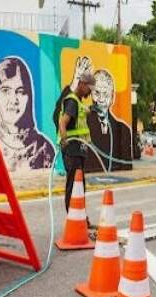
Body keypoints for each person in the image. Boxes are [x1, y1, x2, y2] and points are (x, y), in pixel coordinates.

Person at [0, 57, 54, 171]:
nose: (14, 100)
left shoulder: (43, 148)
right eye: (5, 90)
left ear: (29, 97)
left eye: (20, 91)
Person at [58, 72, 95, 219]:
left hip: (78, 150)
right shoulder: (72, 101)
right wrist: (64, 140)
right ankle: (74, 219)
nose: (90, 92)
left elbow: (79, 117)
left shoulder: (78, 102)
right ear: (82, 84)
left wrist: (89, 110)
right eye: (89, 88)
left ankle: (80, 218)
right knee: (74, 185)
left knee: (79, 185)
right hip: (72, 150)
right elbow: (63, 122)